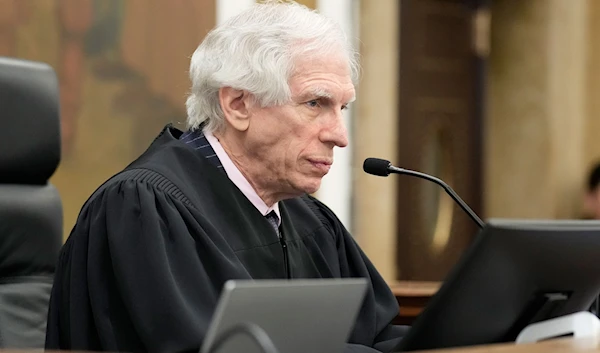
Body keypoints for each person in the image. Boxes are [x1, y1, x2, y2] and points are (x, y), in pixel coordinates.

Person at [45, 1, 407, 352]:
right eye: (315, 104)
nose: (340, 136)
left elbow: (379, 332)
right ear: (238, 105)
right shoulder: (142, 209)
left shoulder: (308, 219)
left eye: (342, 108)